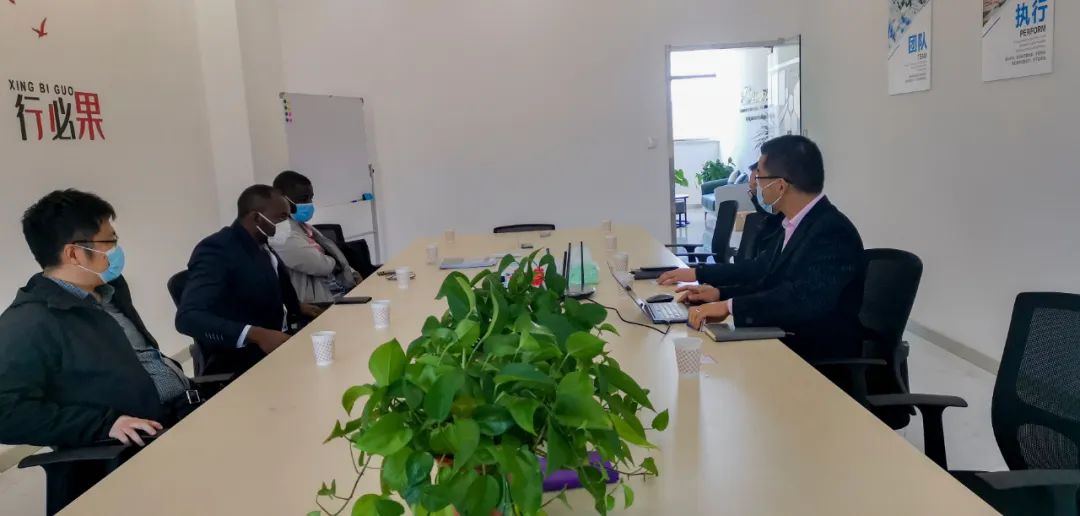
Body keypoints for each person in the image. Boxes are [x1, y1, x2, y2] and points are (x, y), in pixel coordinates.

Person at [0, 190, 191, 513]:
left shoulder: (109, 289)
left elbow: (141, 356)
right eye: (109, 242)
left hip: (182, 414)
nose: (116, 251)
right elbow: (5, 413)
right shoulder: (30, 323)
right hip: (135, 448)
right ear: (74, 253)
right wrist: (104, 425)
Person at [660, 135, 865, 361]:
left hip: (814, 358)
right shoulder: (791, 224)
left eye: (759, 177)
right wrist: (718, 293)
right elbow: (761, 272)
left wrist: (729, 307)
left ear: (780, 186)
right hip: (781, 337)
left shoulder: (833, 231)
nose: (755, 184)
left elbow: (801, 300)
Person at [176, 185, 323, 375]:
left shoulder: (261, 243)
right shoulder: (217, 250)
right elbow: (187, 318)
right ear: (256, 218)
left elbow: (259, 286)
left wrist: (295, 306)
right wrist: (256, 335)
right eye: (281, 217)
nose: (286, 223)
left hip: (282, 341)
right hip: (243, 359)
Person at [270, 170, 360, 304]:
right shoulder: (280, 234)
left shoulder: (302, 226)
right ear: (281, 198)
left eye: (311, 198)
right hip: (317, 303)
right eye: (303, 199)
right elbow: (321, 265)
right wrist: (336, 263)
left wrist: (352, 273)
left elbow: (331, 253)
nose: (309, 203)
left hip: (337, 291)